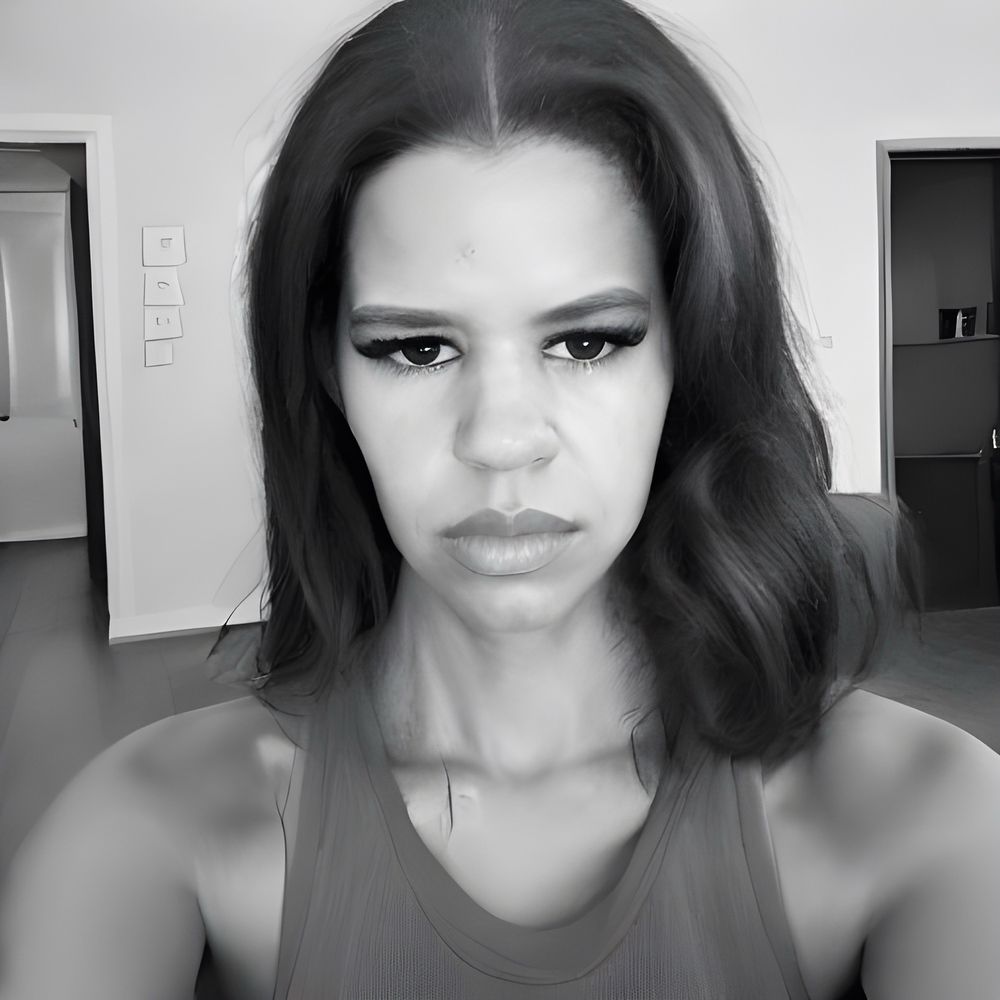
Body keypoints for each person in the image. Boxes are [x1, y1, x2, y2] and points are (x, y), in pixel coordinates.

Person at [2, 0, 1000, 997]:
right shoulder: (146, 833)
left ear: (689, 354)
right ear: (328, 371)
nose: (502, 440)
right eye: (416, 348)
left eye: (587, 341)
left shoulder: (927, 816)